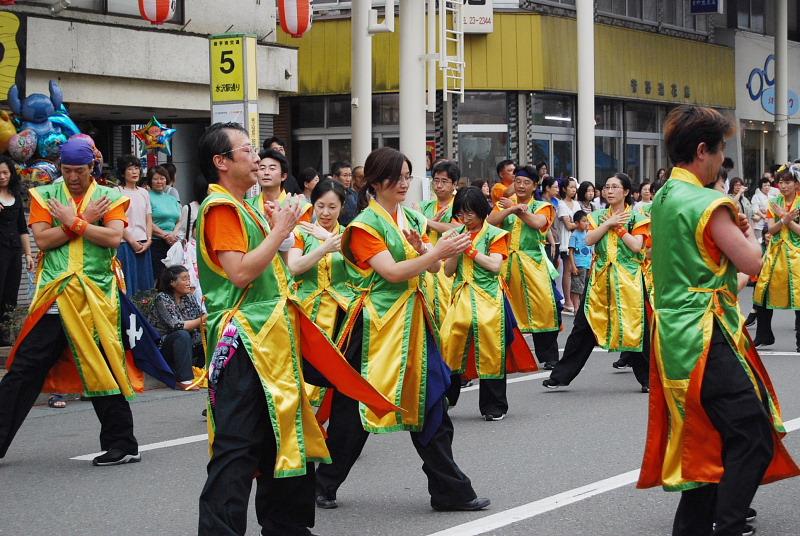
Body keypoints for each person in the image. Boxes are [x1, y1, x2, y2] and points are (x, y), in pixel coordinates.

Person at [195, 122, 394, 536]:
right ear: (221, 162)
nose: (257, 158)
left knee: (285, 433)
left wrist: (278, 229)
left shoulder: (242, 205)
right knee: (238, 445)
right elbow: (240, 273)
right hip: (244, 341)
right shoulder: (220, 208)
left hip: (270, 338)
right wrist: (282, 231)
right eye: (247, 150)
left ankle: (288, 527)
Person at [637, 105, 799, 536]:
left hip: (673, 331)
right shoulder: (709, 201)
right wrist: (747, 231)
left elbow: (708, 267)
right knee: (752, 433)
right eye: (720, 152)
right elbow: (752, 262)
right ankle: (728, 526)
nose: (721, 162)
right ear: (702, 150)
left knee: (707, 439)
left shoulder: (665, 196)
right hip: (705, 334)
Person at [315, 146, 489, 513]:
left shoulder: (408, 217)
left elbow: (431, 270)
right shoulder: (363, 226)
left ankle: (449, 489)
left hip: (411, 324)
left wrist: (434, 252)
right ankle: (322, 483)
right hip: (376, 328)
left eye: (409, 176)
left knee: (430, 405)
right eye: (398, 178)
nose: (405, 184)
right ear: (376, 182)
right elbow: (392, 273)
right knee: (354, 411)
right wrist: (434, 252)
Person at [0, 138, 142, 466]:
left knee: (103, 366)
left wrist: (75, 221)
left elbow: (113, 237)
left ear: (92, 167)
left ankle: (123, 444)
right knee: (24, 369)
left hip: (94, 296)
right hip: (56, 296)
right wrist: (82, 221)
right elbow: (43, 239)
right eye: (67, 170)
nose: (73, 177)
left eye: (79, 170)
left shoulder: (109, 197)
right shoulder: (45, 195)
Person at [542, 172, 650, 392]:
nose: (609, 191)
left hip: (629, 281)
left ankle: (647, 379)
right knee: (583, 327)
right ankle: (561, 375)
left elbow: (636, 246)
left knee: (637, 329)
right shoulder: (598, 215)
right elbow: (589, 239)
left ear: (626, 192)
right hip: (600, 279)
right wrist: (609, 222)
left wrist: (618, 228)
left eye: (614, 187)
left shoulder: (637, 218)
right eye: (607, 187)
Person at [441, 186, 536, 420]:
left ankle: (494, 406)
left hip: (488, 298)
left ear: (481, 211)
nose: (466, 218)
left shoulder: (495, 234)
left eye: (470, 212)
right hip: (461, 296)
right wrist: (453, 251)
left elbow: (495, 266)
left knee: (491, 349)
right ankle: (444, 399)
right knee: (448, 344)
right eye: (461, 214)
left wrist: (470, 251)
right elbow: (448, 271)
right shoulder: (456, 233)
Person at [287, 179, 353, 406]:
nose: (326, 212)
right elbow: (294, 267)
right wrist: (324, 247)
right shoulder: (301, 232)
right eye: (320, 206)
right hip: (307, 311)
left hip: (343, 313)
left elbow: (362, 267)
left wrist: (329, 239)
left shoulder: (350, 235)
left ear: (342, 207)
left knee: (338, 374)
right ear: (313, 204)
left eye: (332, 207)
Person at [487, 166, 560, 370]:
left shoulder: (543, 206)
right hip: (506, 262)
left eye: (526, 182)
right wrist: (511, 208)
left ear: (535, 186)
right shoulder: (505, 203)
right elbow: (490, 221)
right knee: (502, 309)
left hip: (533, 263)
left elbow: (538, 223)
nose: (520, 186)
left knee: (544, 307)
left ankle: (549, 355)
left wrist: (516, 210)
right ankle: (504, 356)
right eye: (517, 181)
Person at [752, 163, 800, 351]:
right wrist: (784, 219)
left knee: (798, 295)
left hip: (796, 255)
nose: (784, 185)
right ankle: (763, 335)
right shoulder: (774, 202)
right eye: (781, 181)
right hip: (775, 253)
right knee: (761, 292)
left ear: (796, 183)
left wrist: (786, 219)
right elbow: (770, 228)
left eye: (788, 181)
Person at [150, 265, 206, 390]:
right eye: (184, 279)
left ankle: (206, 372)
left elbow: (200, 319)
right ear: (172, 283)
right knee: (181, 334)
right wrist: (202, 320)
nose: (189, 282)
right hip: (165, 347)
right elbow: (176, 325)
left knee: (211, 333)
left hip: (189, 343)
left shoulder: (189, 297)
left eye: (188, 278)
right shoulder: (162, 298)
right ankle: (184, 380)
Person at [419, 159, 460, 326]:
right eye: (436, 180)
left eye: (444, 181)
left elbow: (456, 229)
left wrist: (425, 222)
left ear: (454, 184)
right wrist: (426, 223)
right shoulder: (423, 206)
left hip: (449, 268)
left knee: (448, 317)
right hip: (426, 266)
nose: (439, 185)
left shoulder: (459, 205)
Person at [0, 155, 34, 347]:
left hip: (14, 252)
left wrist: (28, 254)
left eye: (6, 172)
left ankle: (6, 334)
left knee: (11, 293)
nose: (2, 177)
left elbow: (23, 228)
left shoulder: (16, 196)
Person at [115, 155, 154, 296]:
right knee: (128, 285)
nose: (134, 172)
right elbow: (117, 220)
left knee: (145, 287)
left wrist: (149, 240)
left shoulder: (144, 192)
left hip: (144, 244)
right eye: (130, 169)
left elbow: (148, 218)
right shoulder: (116, 192)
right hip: (125, 244)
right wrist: (132, 241)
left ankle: (144, 317)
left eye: (136, 168)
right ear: (122, 172)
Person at [251, 149, 313, 225]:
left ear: (283, 176)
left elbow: (304, 234)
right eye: (262, 168)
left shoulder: (298, 206)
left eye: (272, 168)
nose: (266, 172)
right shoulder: (248, 206)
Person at [147, 165, 182, 283]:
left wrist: (173, 234)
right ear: (150, 181)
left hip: (173, 244)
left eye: (162, 178)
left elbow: (179, 220)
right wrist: (165, 235)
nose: (159, 182)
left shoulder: (171, 198)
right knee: (157, 278)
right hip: (155, 243)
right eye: (155, 179)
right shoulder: (146, 196)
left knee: (173, 279)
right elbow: (147, 221)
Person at [556, 177, 579, 313]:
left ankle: (573, 299)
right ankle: (567, 301)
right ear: (564, 189)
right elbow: (568, 225)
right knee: (568, 271)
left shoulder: (576, 204)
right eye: (570, 187)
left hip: (577, 241)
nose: (573, 189)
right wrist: (577, 224)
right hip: (566, 242)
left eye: (574, 187)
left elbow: (582, 221)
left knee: (575, 271)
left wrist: (575, 223)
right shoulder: (561, 204)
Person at [567, 210, 592, 315]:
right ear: (576, 223)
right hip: (579, 265)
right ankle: (576, 308)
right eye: (584, 221)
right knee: (577, 288)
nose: (587, 223)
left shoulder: (588, 234)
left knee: (584, 288)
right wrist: (573, 266)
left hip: (587, 264)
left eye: (587, 221)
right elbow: (571, 252)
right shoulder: (574, 235)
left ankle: (582, 309)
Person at [332, 161, 358, 225]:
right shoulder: (329, 195)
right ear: (335, 177)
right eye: (345, 175)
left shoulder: (354, 194)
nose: (348, 179)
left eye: (350, 175)